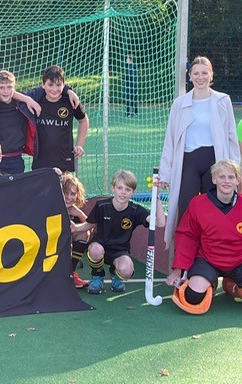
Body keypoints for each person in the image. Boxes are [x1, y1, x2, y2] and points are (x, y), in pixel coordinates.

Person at [159, 56, 240, 248]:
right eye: (196, 73)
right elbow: (170, 140)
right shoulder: (180, 104)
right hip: (189, 163)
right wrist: (165, 173)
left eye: (204, 73)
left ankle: (213, 254)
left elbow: (231, 136)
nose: (200, 77)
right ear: (190, 76)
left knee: (215, 209)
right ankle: (183, 257)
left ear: (211, 75)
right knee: (186, 208)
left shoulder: (223, 101)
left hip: (215, 163)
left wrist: (235, 168)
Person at [167, 159, 242, 314]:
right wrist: (178, 270)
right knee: (192, 297)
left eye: (231, 177)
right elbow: (187, 236)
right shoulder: (198, 204)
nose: (226, 181)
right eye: (221, 177)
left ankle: (230, 285)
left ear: (237, 180)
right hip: (208, 260)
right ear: (214, 179)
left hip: (238, 261)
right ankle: (209, 284)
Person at [76, 170, 165, 294]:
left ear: (133, 192)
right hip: (100, 246)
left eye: (127, 189)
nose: (123, 192)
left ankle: (115, 274)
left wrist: (157, 197)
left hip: (120, 251)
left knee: (127, 270)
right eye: (120, 188)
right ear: (113, 188)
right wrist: (75, 228)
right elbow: (90, 224)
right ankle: (97, 275)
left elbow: (160, 223)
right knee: (95, 250)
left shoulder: (135, 210)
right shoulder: (102, 206)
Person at [31, 66, 89, 173]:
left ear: (64, 85)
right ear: (43, 85)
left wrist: (79, 144)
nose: (54, 89)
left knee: (65, 184)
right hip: (41, 160)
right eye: (50, 85)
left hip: (64, 158)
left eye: (58, 85)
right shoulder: (36, 101)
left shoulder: (70, 101)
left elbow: (83, 120)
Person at [61, 172, 89, 289]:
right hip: (48, 246)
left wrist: (79, 214)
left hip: (65, 244)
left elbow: (90, 224)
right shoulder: (50, 205)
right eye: (65, 193)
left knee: (84, 232)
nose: (69, 197)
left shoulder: (74, 210)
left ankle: (71, 273)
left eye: (73, 193)